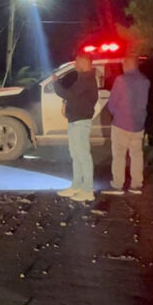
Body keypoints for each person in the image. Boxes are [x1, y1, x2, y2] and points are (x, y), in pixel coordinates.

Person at [54, 51, 99, 202]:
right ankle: (76, 185)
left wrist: (55, 82)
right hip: (75, 120)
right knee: (76, 155)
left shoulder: (87, 79)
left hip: (80, 122)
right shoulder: (84, 78)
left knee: (83, 155)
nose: (75, 64)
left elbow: (69, 94)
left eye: (78, 61)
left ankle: (87, 190)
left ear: (85, 62)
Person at [103, 55, 150, 195]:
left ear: (128, 65)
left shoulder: (120, 80)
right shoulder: (145, 81)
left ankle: (118, 184)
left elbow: (112, 103)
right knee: (136, 154)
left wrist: (115, 113)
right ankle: (136, 184)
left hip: (121, 124)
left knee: (119, 155)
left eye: (124, 64)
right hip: (138, 125)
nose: (122, 67)